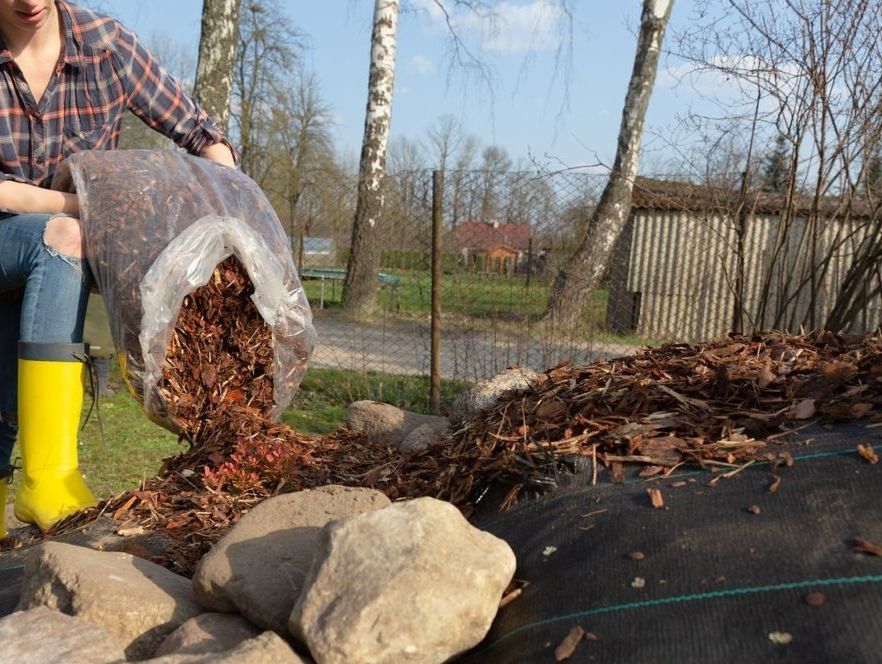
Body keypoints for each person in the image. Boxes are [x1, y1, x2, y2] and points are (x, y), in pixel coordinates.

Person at [0, 0, 236, 534]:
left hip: (53, 252)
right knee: (64, 237)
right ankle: (48, 477)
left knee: (9, 379)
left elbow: (203, 135)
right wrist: (81, 206)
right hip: (28, 235)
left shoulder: (106, 45)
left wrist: (228, 198)